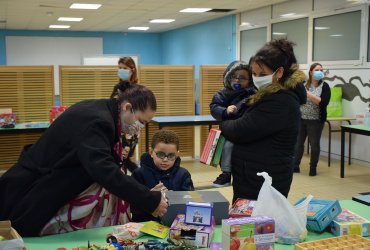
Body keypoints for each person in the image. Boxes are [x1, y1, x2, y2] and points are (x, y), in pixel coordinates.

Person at [0, 82, 168, 236]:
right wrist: (149, 199)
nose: (139, 129)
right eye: (140, 121)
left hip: (46, 180)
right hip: (31, 190)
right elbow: (105, 171)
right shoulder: (99, 121)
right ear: (127, 107)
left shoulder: (104, 111)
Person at [220, 39, 307, 202]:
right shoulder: (268, 94)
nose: (257, 79)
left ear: (279, 72)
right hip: (254, 174)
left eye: (263, 75)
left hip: (264, 179)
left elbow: (240, 130)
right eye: (254, 74)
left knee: (257, 225)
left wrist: (224, 122)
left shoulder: (280, 101)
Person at [209, 61, 257, 187]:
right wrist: (225, 111)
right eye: (234, 77)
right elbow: (214, 107)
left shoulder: (253, 94)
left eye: (242, 78)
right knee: (227, 147)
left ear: (250, 80)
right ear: (228, 78)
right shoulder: (222, 94)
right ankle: (226, 173)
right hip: (229, 131)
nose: (237, 80)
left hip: (246, 130)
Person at [131, 129, 194, 222]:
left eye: (171, 155)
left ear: (177, 154)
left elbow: (191, 203)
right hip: (144, 225)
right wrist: (149, 198)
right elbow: (133, 208)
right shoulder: (139, 174)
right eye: (160, 154)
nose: (165, 159)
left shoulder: (183, 175)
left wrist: (175, 198)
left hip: (174, 225)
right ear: (151, 152)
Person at [293, 63, 331, 176]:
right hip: (300, 119)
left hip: (316, 121)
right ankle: (295, 166)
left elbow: (323, 103)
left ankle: (313, 168)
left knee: (314, 145)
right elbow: (296, 99)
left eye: (321, 70)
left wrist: (308, 94)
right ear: (310, 72)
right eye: (317, 69)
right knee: (298, 144)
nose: (320, 71)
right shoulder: (302, 84)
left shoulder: (325, 86)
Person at [111, 56, 139, 173]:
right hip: (118, 127)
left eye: (125, 68)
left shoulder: (137, 89)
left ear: (132, 70)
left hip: (131, 129)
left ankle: (143, 179)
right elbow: (112, 105)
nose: (121, 70)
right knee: (120, 159)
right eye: (120, 68)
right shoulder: (117, 87)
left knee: (124, 158)